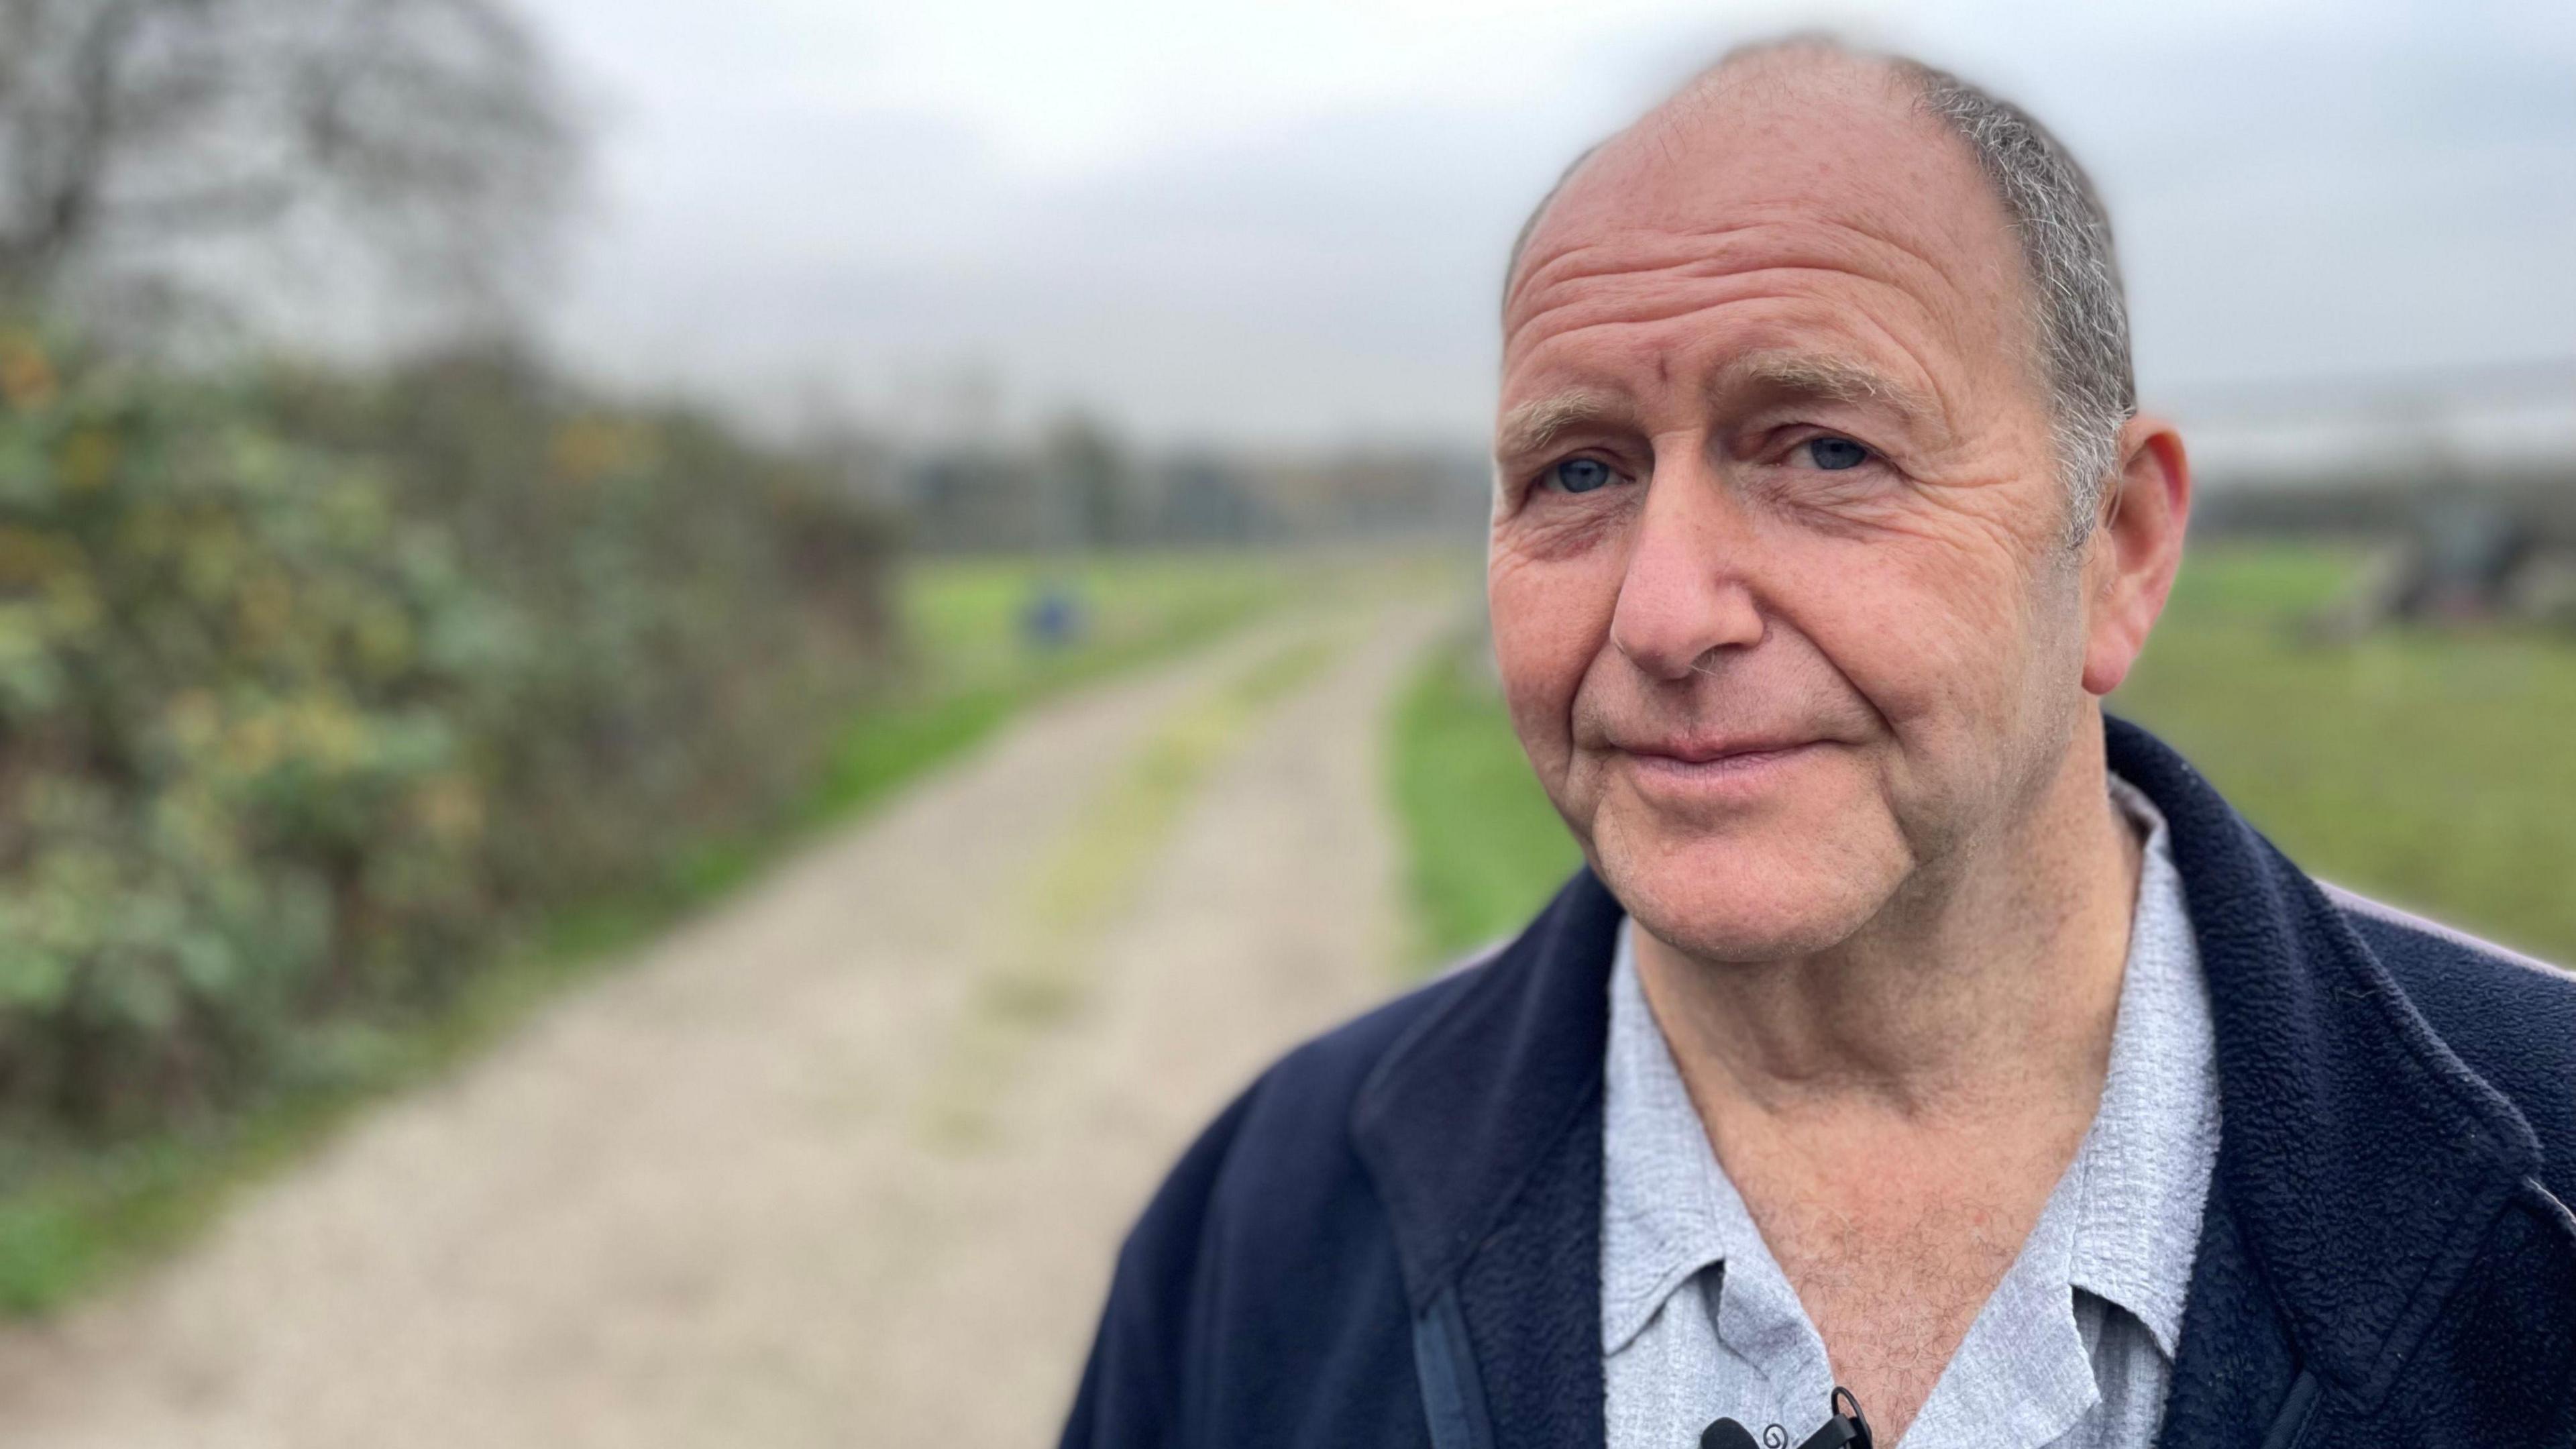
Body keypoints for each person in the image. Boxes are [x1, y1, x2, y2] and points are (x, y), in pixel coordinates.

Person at [1057, 38, 2576, 1449]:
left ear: (2115, 546)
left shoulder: (2532, 1188)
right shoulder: (1265, 1227)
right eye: (1577, 472)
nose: (1663, 615)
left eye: (1825, 449)